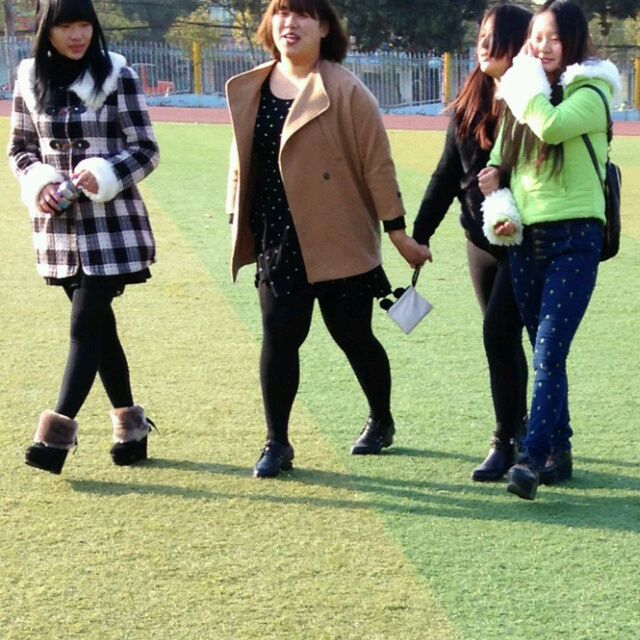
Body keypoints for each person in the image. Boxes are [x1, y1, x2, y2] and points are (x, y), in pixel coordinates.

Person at [225, 0, 430, 478]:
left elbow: (378, 166)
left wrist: (398, 233)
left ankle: (380, 419)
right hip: (277, 236)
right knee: (280, 337)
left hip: (339, 234)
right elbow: (241, 160)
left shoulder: (346, 89)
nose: (289, 23)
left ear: (323, 28)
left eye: (303, 14)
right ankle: (277, 442)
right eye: (281, 11)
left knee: (353, 336)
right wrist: (235, 214)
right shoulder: (252, 86)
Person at [8, 0, 159, 474]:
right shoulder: (29, 78)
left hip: (111, 228)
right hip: (58, 229)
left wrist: (104, 172)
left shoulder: (117, 75)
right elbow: (20, 150)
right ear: (46, 30)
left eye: (84, 25)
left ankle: (55, 437)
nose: (77, 35)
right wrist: (40, 183)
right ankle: (132, 428)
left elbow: (146, 149)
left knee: (83, 326)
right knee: (99, 331)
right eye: (65, 26)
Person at [478, 0, 620, 499]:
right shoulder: (522, 96)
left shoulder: (593, 91)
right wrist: (494, 182)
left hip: (575, 238)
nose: (542, 46)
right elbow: (501, 157)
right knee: (546, 351)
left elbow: (552, 126)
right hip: (525, 240)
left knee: (548, 353)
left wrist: (523, 87)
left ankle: (532, 458)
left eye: (554, 37)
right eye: (536, 37)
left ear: (575, 41)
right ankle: (560, 449)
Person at [413, 3, 532, 482]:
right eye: (481, 36)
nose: (484, 45)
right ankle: (518, 431)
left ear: (520, 44)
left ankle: (513, 439)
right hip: (478, 241)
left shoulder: (536, 100)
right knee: (502, 339)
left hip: (526, 242)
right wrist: (417, 234)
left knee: (502, 334)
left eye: (495, 37)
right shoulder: (471, 101)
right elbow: (447, 173)